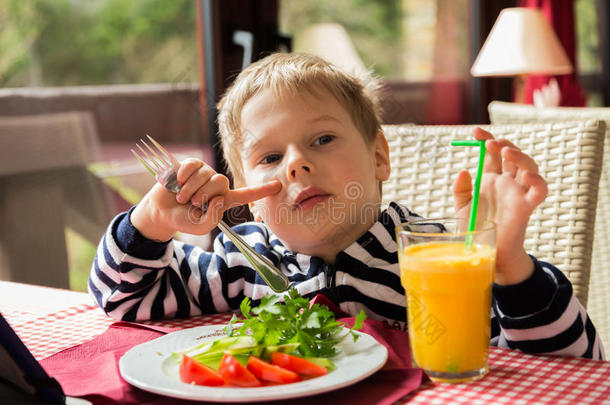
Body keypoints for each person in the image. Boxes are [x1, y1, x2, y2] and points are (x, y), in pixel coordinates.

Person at [89, 53, 604, 360]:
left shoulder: (436, 258)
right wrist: (149, 225)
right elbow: (124, 301)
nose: (295, 166)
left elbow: (572, 365)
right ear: (242, 189)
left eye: (323, 139)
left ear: (379, 157)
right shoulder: (240, 264)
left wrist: (510, 263)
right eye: (270, 156)